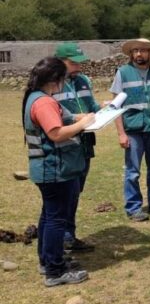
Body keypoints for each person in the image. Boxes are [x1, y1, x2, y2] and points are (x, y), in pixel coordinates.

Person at [22, 57, 95, 286]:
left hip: (50, 168)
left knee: (49, 216)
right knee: (56, 220)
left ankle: (47, 261)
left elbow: (62, 119)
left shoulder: (39, 97)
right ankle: (55, 270)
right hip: (54, 169)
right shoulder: (43, 102)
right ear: (55, 80)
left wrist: (79, 118)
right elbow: (55, 133)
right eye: (63, 79)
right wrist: (82, 125)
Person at [110, 38, 150, 221]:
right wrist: (121, 133)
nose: (139, 54)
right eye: (135, 51)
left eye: (142, 50)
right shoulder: (123, 73)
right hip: (133, 129)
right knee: (133, 171)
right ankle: (133, 208)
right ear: (131, 54)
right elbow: (115, 106)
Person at [52, 42, 98, 252]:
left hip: (85, 145)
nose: (78, 67)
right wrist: (78, 120)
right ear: (59, 62)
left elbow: (92, 107)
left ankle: (69, 234)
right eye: (73, 63)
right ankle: (59, 238)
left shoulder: (83, 81)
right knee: (64, 193)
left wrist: (105, 109)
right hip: (66, 146)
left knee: (76, 191)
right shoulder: (51, 85)